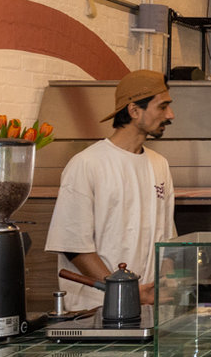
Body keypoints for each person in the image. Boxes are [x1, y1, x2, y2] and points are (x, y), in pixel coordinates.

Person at [45, 69, 176, 312]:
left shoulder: (160, 164)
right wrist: (124, 291)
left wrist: (163, 286)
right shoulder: (87, 164)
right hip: (94, 310)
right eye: (162, 107)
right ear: (134, 110)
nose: (171, 114)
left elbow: (167, 240)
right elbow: (74, 245)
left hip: (146, 308)